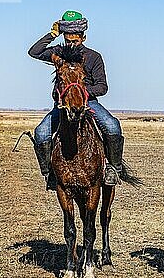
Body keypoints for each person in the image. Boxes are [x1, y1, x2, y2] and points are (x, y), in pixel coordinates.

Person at [28, 10, 124, 189]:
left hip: (89, 102)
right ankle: (50, 173)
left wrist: (80, 92)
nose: (71, 44)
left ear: (83, 37)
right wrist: (52, 34)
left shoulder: (94, 57)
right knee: (41, 132)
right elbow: (34, 52)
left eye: (75, 40)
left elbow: (102, 86)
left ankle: (114, 168)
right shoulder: (58, 53)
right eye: (68, 40)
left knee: (112, 125)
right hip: (63, 105)